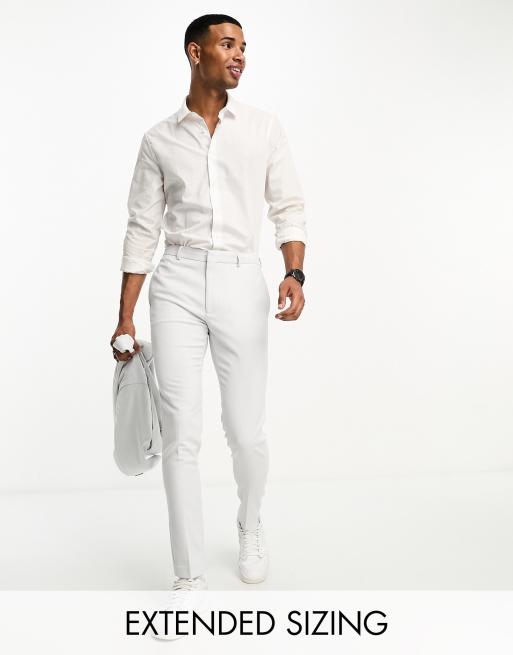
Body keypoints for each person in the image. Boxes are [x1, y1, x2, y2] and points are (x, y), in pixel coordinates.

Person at [110, 12, 307, 610]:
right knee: (181, 434)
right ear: (195, 53)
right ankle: (189, 574)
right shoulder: (159, 140)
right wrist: (125, 317)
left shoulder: (264, 128)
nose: (240, 55)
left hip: (241, 278)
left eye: (243, 46)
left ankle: (249, 521)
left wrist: (294, 272)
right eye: (227, 44)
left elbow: (288, 206)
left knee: (246, 432)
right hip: (175, 282)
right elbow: (141, 229)